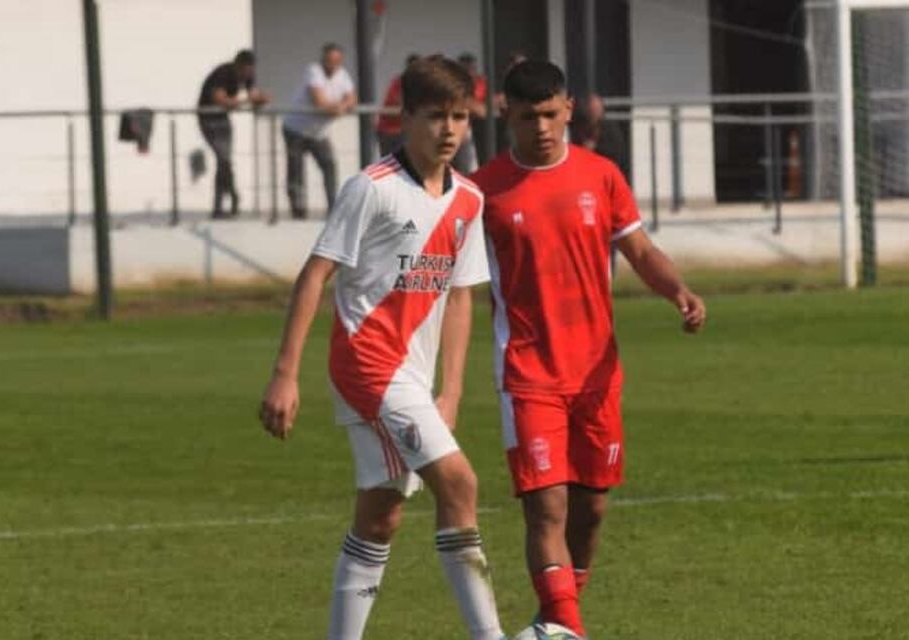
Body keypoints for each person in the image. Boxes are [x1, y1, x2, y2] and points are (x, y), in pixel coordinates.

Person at [259, 55, 505, 640]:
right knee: (462, 484)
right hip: (369, 364)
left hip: (413, 378)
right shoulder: (371, 189)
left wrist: (451, 390)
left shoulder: (468, 200)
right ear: (403, 118)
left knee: (381, 514)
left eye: (460, 117)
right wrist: (285, 374)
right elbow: (315, 275)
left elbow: (461, 297)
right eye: (435, 116)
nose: (448, 130)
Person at [472, 60, 706, 638]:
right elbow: (455, 284)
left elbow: (641, 251)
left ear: (569, 109)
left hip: (597, 374)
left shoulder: (601, 176)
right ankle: (571, 629)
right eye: (529, 118)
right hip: (527, 373)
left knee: (591, 511)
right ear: (507, 114)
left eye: (551, 114)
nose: (543, 128)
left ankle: (555, 622)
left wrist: (677, 290)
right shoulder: (482, 191)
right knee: (546, 509)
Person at [283, 43, 357, 219]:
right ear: (323, 60)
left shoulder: (342, 74)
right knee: (296, 169)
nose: (332, 65)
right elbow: (319, 101)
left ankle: (334, 209)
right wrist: (337, 108)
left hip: (318, 133)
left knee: (329, 165)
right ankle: (298, 211)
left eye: (336, 61)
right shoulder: (313, 71)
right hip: (296, 129)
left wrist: (341, 106)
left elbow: (352, 98)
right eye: (329, 61)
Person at [197, 49, 270, 219]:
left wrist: (259, 100)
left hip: (223, 119)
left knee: (226, 161)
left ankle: (226, 202)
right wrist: (247, 100)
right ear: (239, 66)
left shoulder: (248, 77)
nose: (249, 74)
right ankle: (227, 200)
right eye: (246, 70)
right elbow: (220, 100)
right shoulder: (223, 73)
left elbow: (252, 97)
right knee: (223, 159)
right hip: (208, 119)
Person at [376, 53, 420, 156]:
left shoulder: (419, 84)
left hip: (404, 130)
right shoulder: (399, 82)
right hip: (389, 130)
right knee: (390, 164)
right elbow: (398, 102)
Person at [452, 53, 486, 174]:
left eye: (472, 69)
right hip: (457, 128)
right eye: (465, 70)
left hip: (475, 130)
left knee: (470, 167)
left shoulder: (480, 82)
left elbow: (484, 110)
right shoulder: (454, 84)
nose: (469, 73)